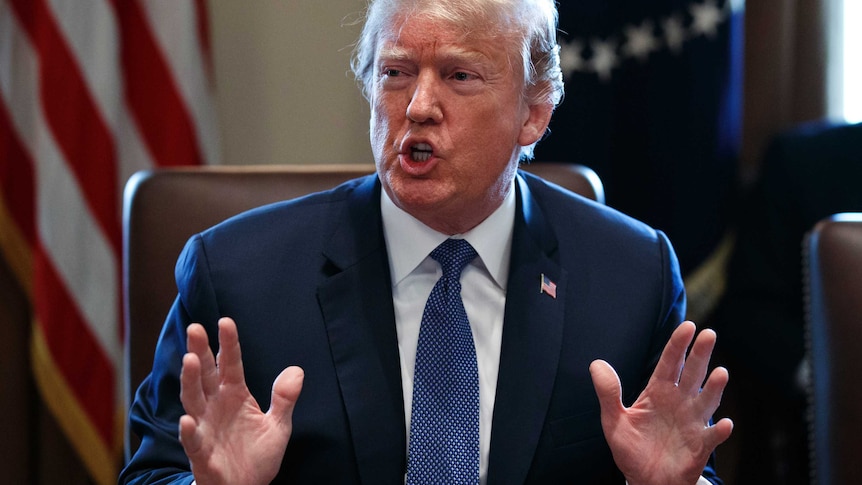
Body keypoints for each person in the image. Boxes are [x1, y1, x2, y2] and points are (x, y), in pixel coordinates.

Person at [120, 0, 733, 483]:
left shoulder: (631, 274)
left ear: (534, 112)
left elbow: (680, 465)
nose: (417, 107)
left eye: (460, 75)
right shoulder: (237, 275)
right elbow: (154, 473)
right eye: (395, 73)